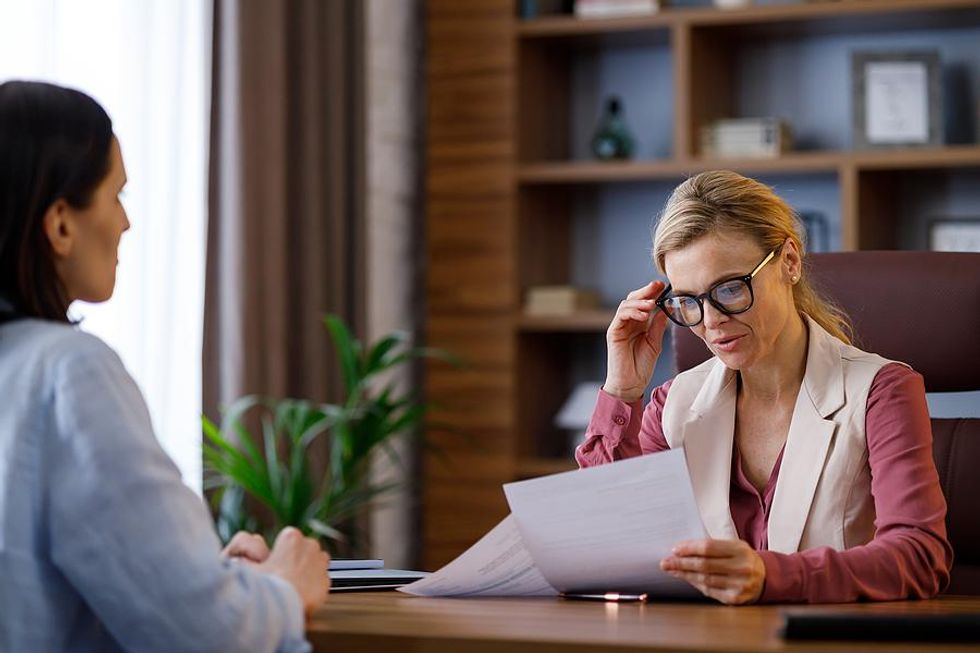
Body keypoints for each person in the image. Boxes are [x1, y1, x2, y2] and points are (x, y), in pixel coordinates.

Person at [0, 80, 329, 651]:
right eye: (115, 195)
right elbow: (207, 636)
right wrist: (284, 587)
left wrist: (198, 576)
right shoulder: (68, 374)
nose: (125, 223)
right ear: (60, 223)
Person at [576, 170, 952, 605]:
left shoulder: (880, 392)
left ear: (789, 262)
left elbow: (921, 557)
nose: (711, 321)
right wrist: (622, 391)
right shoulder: (672, 404)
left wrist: (770, 576)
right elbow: (613, 546)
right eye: (688, 302)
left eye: (730, 289)